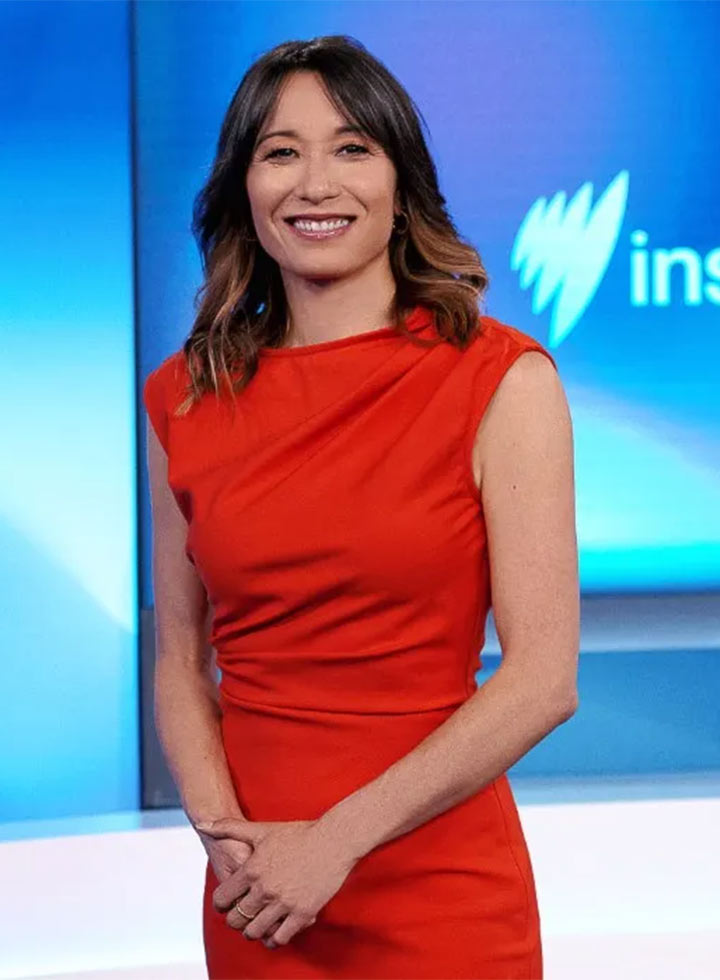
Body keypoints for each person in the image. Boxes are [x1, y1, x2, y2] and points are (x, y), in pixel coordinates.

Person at [143, 34, 579, 980]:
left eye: (351, 148)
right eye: (280, 152)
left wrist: (334, 843)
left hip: (438, 893)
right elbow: (180, 657)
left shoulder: (501, 379)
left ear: (399, 180)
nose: (315, 184)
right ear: (243, 187)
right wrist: (226, 838)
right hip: (258, 896)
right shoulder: (183, 394)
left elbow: (544, 680)